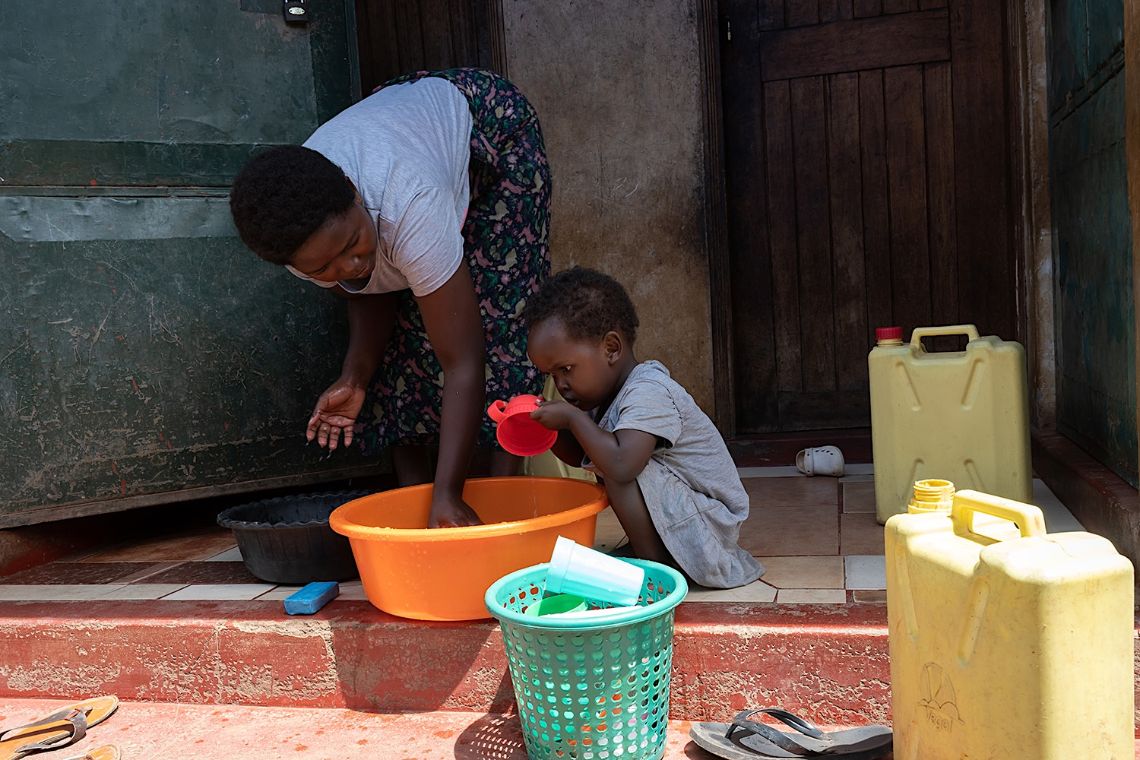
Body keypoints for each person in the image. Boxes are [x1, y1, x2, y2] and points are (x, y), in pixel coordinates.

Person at [228, 68, 551, 528]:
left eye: (350, 245)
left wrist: (450, 493)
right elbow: (374, 287)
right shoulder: (294, 237)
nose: (349, 268)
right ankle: (418, 501)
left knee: (500, 310)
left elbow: (463, 358)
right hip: (403, 135)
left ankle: (503, 501)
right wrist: (355, 375)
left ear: (358, 195)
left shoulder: (407, 199)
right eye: (324, 269)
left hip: (489, 131)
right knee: (403, 340)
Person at [523, 267, 763, 589]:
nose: (561, 385)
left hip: (709, 528)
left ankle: (656, 571)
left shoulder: (648, 390)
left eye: (566, 369)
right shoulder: (598, 398)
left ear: (611, 348)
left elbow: (622, 466)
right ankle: (649, 551)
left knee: (617, 463)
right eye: (552, 375)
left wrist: (572, 419)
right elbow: (584, 453)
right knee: (605, 453)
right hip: (685, 519)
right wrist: (545, 430)